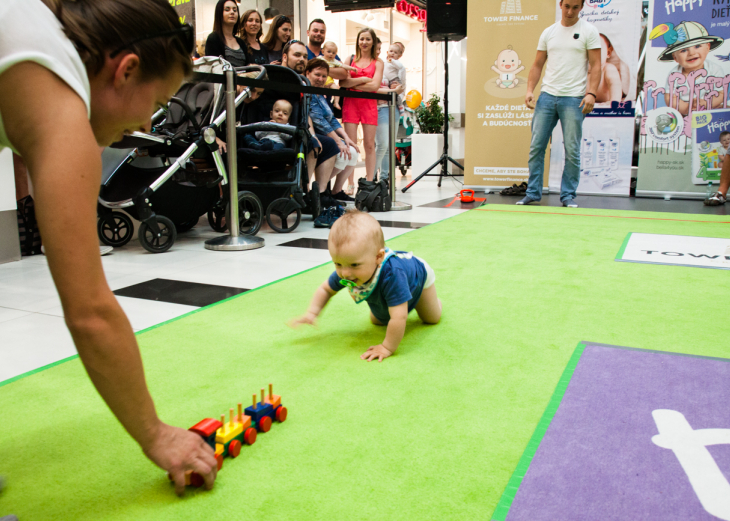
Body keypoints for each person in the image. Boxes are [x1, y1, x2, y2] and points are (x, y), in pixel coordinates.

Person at [0, 0, 217, 496]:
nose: (147, 122)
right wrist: (156, 435)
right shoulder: (56, 93)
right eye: (157, 103)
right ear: (126, 70)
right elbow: (90, 311)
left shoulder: (33, 38)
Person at [289, 210, 441, 362]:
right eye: (338, 263)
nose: (345, 273)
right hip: (387, 283)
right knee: (378, 320)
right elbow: (326, 289)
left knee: (431, 318)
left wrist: (387, 347)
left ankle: (430, 300)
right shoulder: (347, 270)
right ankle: (395, 300)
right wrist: (312, 313)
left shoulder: (393, 274)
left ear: (378, 257)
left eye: (354, 265)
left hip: (418, 277)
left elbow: (400, 317)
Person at [518, 0, 600, 208]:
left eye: (575, 7)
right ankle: (533, 192)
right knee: (536, 147)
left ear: (581, 7)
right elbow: (537, 64)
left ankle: (567, 196)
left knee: (572, 149)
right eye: (567, 6)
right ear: (560, 5)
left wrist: (591, 93)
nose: (570, 11)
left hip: (574, 98)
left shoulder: (589, 31)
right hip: (547, 96)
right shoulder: (549, 32)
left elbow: (596, 65)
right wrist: (529, 90)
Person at [305, 59, 360, 206]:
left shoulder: (321, 95)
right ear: (307, 73)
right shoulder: (308, 93)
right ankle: (319, 191)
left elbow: (332, 120)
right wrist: (338, 141)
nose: (320, 79)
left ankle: (335, 190)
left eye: (324, 76)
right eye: (317, 75)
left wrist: (347, 138)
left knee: (353, 152)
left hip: (326, 133)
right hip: (316, 134)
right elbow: (318, 121)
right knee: (341, 153)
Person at [339, 28, 384, 182]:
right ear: (357, 41)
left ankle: (370, 180)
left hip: (369, 105)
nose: (364, 42)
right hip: (350, 104)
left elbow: (375, 86)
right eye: (361, 39)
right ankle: (350, 182)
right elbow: (343, 82)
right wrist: (363, 80)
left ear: (373, 42)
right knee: (351, 145)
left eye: (368, 39)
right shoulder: (349, 59)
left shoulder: (378, 62)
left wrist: (354, 84)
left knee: (369, 145)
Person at [657, 21, 724, 116]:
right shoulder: (674, 75)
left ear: (707, 47)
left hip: (711, 108)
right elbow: (670, 98)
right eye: (683, 50)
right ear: (675, 57)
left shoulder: (715, 69)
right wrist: (685, 107)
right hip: (686, 113)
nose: (691, 53)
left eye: (697, 46)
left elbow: (721, 94)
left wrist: (706, 103)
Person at [374, 42, 407, 183]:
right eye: (389, 51)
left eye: (395, 52)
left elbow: (401, 87)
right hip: (379, 108)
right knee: (381, 145)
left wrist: (397, 93)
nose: (390, 54)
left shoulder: (397, 67)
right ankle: (371, 177)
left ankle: (385, 178)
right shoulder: (379, 65)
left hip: (392, 107)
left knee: (388, 146)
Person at [204, 0, 247, 67]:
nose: (232, 12)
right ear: (219, 14)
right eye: (227, 10)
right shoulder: (213, 39)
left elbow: (248, 67)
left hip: (243, 77)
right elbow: (216, 68)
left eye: (235, 10)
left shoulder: (241, 42)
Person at [321, 41, 357, 110]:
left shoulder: (334, 61)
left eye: (333, 53)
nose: (331, 54)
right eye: (329, 52)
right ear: (323, 51)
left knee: (336, 89)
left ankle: (336, 102)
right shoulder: (320, 59)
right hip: (321, 80)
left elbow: (343, 66)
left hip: (329, 81)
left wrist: (351, 68)